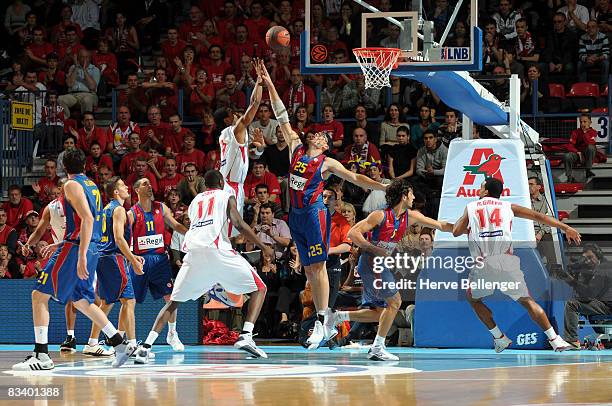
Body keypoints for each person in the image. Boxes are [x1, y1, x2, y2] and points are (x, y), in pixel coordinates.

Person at [258, 60, 387, 349]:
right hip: (296, 216)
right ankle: (322, 321)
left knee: (318, 267)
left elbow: (355, 176)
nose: (315, 134)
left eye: (321, 135)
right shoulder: (296, 149)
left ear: (326, 144)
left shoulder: (326, 162)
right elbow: (281, 116)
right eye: (315, 133)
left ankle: (322, 320)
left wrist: (381, 185)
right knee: (310, 270)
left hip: (316, 215)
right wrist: (268, 84)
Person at [12, 149, 134, 371]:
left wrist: (80, 255)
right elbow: (87, 222)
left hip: (78, 248)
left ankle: (42, 355)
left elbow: (87, 218)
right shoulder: (92, 185)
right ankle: (119, 344)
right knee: (81, 301)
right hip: (87, 247)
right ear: (85, 165)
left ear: (63, 167)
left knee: (39, 295)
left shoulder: (70, 185)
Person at [134, 170, 274, 362]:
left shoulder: (195, 201)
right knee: (260, 288)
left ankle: (145, 347)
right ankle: (246, 335)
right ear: (221, 182)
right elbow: (238, 223)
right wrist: (263, 245)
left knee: (173, 302)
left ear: (206, 185)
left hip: (193, 254)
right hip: (217, 250)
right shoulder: (226, 195)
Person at [452, 178, 581, 352]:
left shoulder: (472, 207)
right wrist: (566, 228)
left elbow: (455, 231)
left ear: (486, 191)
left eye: (481, 187)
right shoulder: (508, 207)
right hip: (506, 261)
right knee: (527, 301)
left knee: (473, 299)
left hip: (484, 263)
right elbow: (539, 216)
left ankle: (499, 337)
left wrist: (465, 221)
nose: (479, 189)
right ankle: (555, 339)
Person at [332, 179, 453, 360]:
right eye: (411, 193)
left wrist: (464, 228)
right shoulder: (379, 215)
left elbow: (441, 225)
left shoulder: (410, 215)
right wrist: (375, 249)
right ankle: (377, 347)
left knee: (383, 313)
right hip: (371, 262)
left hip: (381, 264)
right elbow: (353, 234)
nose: (413, 197)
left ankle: (336, 318)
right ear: (404, 196)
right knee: (395, 302)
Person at [84, 178, 144, 356]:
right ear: (116, 192)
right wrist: (133, 260)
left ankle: (92, 343)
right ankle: (131, 346)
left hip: (102, 257)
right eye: (123, 185)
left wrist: (132, 256)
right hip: (112, 257)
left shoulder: (104, 210)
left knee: (107, 302)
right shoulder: (118, 209)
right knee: (129, 301)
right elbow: (118, 239)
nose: (127, 187)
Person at [127, 177, 188, 352]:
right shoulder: (131, 213)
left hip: (160, 260)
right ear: (137, 189)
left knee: (170, 297)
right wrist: (130, 256)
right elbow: (123, 237)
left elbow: (176, 225)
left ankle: (172, 334)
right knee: (128, 302)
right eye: (145, 184)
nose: (150, 186)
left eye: (150, 183)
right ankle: (128, 341)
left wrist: (191, 235)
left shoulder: (161, 207)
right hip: (140, 260)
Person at [218, 58, 265, 235]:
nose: (240, 117)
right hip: (231, 186)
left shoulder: (230, 136)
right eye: (236, 115)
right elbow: (254, 104)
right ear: (228, 120)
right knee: (231, 230)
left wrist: (259, 147)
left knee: (231, 231)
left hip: (233, 184)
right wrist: (259, 81)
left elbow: (252, 156)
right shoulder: (234, 131)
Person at [562, 244, 612, 349]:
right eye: (586, 258)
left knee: (572, 304)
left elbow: (589, 294)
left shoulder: (602, 270)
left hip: (608, 306)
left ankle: (571, 341)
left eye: (590, 257)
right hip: (605, 304)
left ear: (598, 255)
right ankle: (606, 340)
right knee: (584, 305)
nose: (588, 261)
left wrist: (570, 280)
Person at [563, 113, 598, 182]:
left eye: (585, 122)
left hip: (588, 155)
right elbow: (569, 146)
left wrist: (585, 133)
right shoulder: (575, 132)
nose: (582, 124)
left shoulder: (593, 132)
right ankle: (569, 177)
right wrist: (577, 152)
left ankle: (588, 170)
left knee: (590, 147)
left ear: (590, 122)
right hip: (578, 154)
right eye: (581, 122)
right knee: (567, 156)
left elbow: (590, 143)